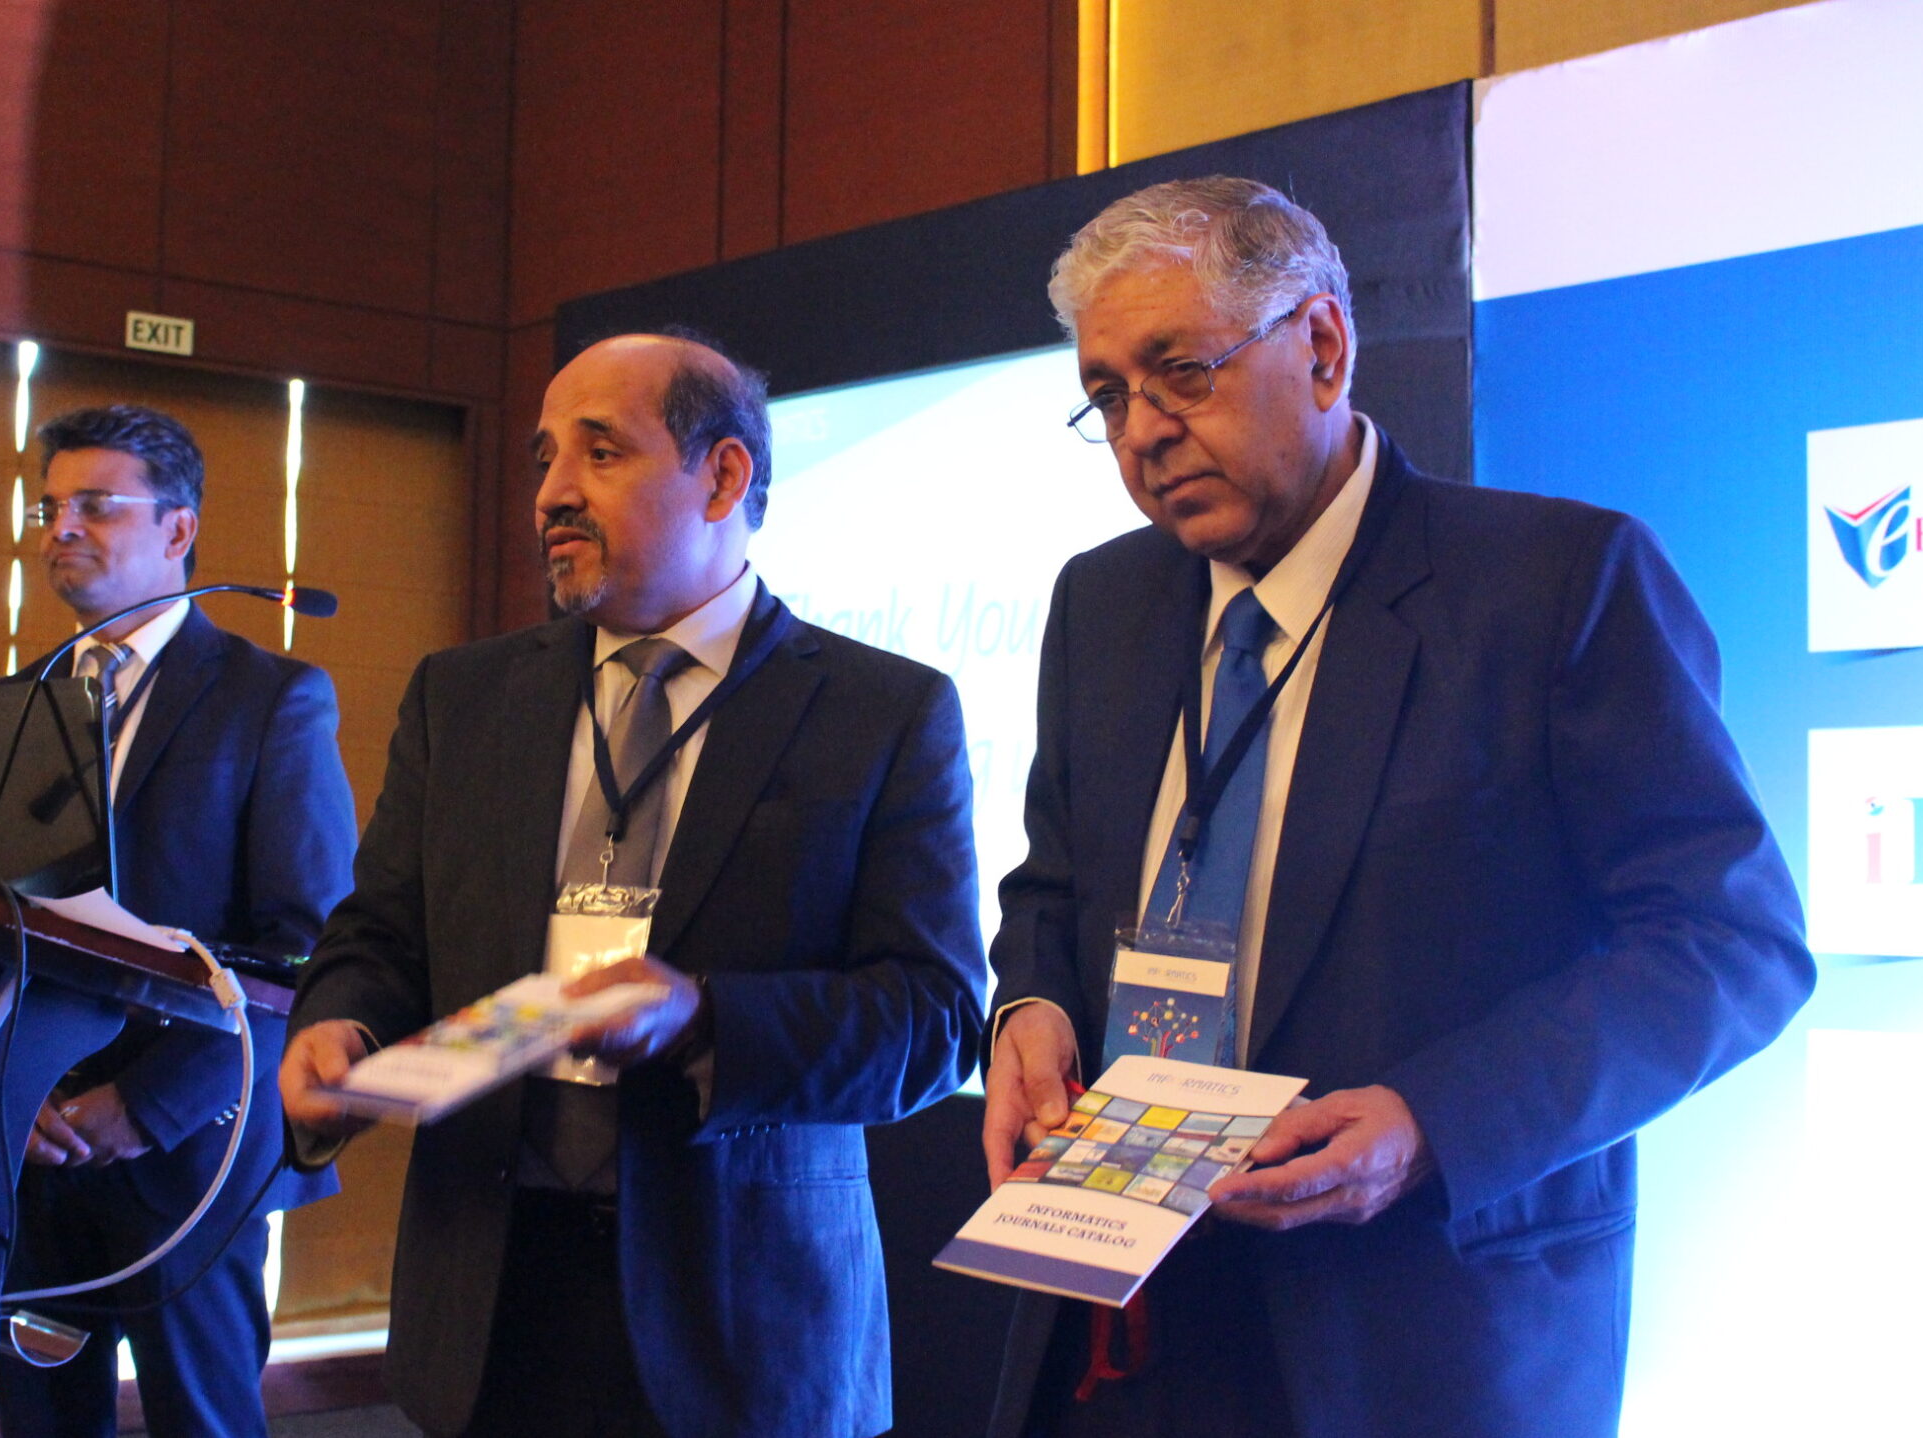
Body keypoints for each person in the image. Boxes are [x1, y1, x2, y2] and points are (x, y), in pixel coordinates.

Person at [980, 178, 1812, 1437]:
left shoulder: (1555, 583)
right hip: (1126, 1311)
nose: (1140, 431)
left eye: (1180, 373)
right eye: (1106, 395)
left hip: (1413, 1325)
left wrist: (1433, 1124)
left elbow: (1730, 945)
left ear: (1321, 345)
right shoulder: (1100, 603)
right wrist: (1031, 1008)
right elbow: (1055, 882)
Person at [279, 332, 984, 1438]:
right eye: (544, 457)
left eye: (599, 453)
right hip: (490, 1310)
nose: (552, 493)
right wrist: (341, 1021)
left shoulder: (881, 712)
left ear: (724, 476)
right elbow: (381, 931)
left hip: (743, 1326)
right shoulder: (463, 698)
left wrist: (703, 1019)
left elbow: (933, 1019)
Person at [0, 405, 357, 1438]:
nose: (62, 528)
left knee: (203, 1422)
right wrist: (18, 1097)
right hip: (35, 1146)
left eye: (95, 505)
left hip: (194, 1146)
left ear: (179, 529)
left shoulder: (271, 698)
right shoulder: (12, 707)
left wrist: (143, 1107)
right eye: (49, 508)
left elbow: (305, 944)